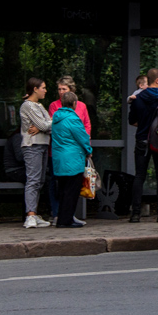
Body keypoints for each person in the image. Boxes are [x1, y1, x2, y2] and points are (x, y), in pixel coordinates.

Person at [128, 68, 158, 223]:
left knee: (139, 176)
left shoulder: (138, 98)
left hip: (142, 140)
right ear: (156, 80)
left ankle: (135, 214)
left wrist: (144, 126)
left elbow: (131, 120)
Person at [51, 91, 93, 228]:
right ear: (74, 103)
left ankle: (62, 218)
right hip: (73, 159)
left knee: (63, 191)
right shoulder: (73, 118)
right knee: (72, 191)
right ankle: (66, 220)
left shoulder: (56, 117)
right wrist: (89, 151)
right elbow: (82, 137)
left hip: (59, 159)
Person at [19, 77, 53, 228]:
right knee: (33, 179)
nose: (45, 90)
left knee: (40, 180)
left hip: (43, 144)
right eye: (43, 88)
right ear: (35, 89)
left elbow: (50, 124)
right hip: (32, 145)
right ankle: (30, 215)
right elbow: (45, 124)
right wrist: (44, 126)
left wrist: (44, 126)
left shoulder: (39, 106)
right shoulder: (28, 106)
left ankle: (34, 212)